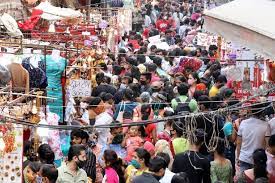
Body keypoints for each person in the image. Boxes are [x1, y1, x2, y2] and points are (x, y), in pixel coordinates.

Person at [236, 103, 269, 173]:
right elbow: (267, 145)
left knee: (244, 179)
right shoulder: (266, 125)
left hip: (244, 157)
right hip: (259, 159)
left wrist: (238, 157)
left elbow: (238, 142)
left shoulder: (243, 123)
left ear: (251, 111)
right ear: (262, 112)